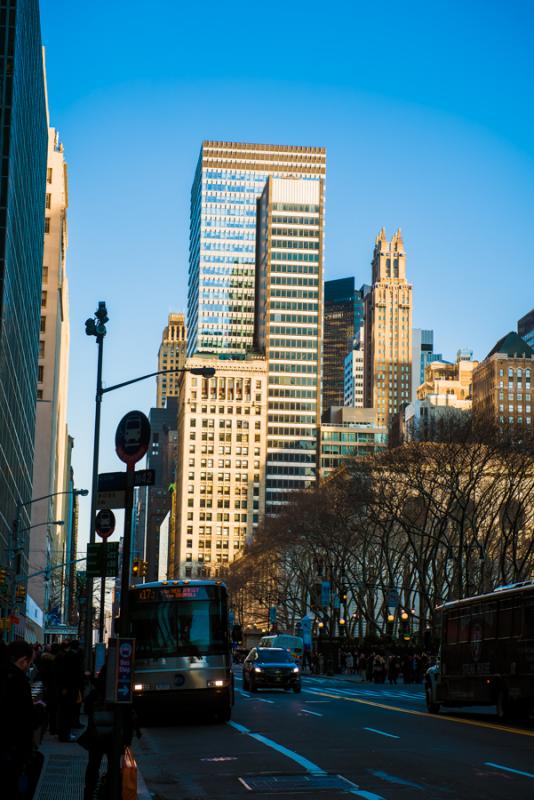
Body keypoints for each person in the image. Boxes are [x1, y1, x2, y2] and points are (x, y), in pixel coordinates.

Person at [0, 640, 46, 798]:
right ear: (22, 660)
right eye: (29, 662)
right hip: (13, 748)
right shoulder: (18, 681)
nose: (29, 667)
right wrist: (39, 708)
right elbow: (28, 719)